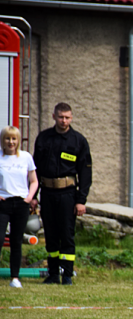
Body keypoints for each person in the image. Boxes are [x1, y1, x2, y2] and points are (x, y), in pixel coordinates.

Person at [31, 102, 92, 285]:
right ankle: (52, 274)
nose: (64, 121)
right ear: (54, 116)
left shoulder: (78, 141)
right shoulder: (44, 138)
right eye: (60, 117)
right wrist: (33, 196)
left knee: (66, 234)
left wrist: (81, 200)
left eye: (67, 117)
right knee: (50, 234)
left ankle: (67, 275)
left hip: (68, 194)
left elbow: (85, 173)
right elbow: (35, 169)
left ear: (71, 118)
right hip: (47, 193)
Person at [0, 126, 38, 289]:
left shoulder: (26, 157)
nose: (11, 142)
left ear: (18, 141)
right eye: (8, 138)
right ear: (3, 140)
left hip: (21, 204)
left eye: (14, 139)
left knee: (16, 240)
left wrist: (29, 197)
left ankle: (15, 277)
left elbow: (34, 180)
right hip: (3, 203)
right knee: (0, 239)